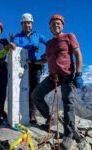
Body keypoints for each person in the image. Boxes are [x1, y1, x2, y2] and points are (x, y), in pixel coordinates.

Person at [31, 14, 84, 149]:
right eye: (53, 24)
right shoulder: (49, 44)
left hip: (67, 76)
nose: (56, 25)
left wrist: (78, 73)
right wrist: (33, 61)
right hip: (53, 77)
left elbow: (78, 54)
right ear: (49, 27)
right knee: (35, 95)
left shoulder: (69, 37)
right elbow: (46, 59)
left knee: (68, 104)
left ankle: (69, 134)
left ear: (62, 25)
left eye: (58, 23)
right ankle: (50, 119)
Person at [12, 13, 47, 124]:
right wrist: (30, 47)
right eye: (25, 23)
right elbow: (14, 46)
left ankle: (32, 114)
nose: (28, 25)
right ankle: (22, 112)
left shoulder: (38, 36)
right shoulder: (18, 37)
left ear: (32, 24)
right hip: (21, 66)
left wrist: (45, 56)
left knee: (34, 90)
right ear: (22, 24)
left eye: (29, 23)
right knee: (22, 89)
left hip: (35, 65)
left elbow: (50, 44)